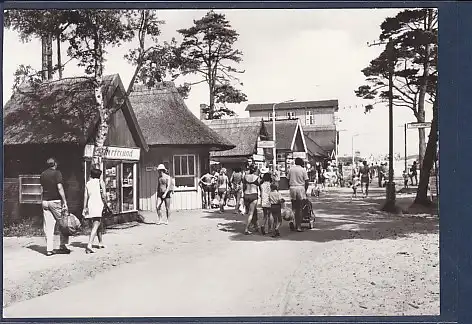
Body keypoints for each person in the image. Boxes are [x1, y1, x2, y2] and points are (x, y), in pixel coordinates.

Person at [40, 157, 70, 256]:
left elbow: (41, 189)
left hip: (45, 201)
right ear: (55, 164)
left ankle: (49, 249)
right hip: (55, 201)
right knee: (63, 222)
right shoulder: (57, 173)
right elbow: (59, 187)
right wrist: (64, 201)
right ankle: (63, 245)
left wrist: (43, 200)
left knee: (48, 226)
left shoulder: (43, 174)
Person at [82, 168, 107, 254]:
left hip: (90, 205)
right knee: (96, 225)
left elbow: (85, 196)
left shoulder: (88, 183)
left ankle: (100, 242)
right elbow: (104, 195)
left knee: (98, 222)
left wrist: (84, 207)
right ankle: (89, 245)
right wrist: (107, 203)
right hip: (98, 204)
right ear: (99, 175)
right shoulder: (101, 183)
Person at [287, 157, 309, 232]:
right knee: (300, 208)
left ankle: (292, 221)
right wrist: (305, 190)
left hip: (292, 188)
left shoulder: (291, 169)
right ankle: (298, 226)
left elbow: (287, 179)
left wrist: (289, 187)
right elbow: (306, 181)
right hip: (300, 188)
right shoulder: (303, 170)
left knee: (294, 207)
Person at [243, 164, 260, 235]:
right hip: (253, 195)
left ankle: (256, 226)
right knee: (251, 213)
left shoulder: (245, 177)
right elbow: (259, 186)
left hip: (246, 195)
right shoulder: (257, 177)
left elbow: (243, 186)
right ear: (255, 170)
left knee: (252, 211)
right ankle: (246, 229)